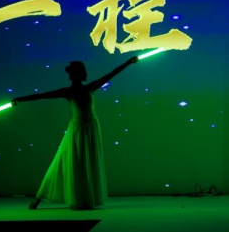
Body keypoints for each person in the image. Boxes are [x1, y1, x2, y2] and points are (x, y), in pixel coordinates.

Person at [11, 56, 139, 210]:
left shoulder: (89, 88)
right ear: (77, 74)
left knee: (86, 162)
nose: (86, 74)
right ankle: (40, 197)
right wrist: (20, 99)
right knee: (65, 161)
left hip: (90, 127)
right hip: (78, 129)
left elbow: (111, 74)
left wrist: (127, 63)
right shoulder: (69, 91)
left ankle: (84, 198)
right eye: (84, 72)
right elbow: (42, 95)